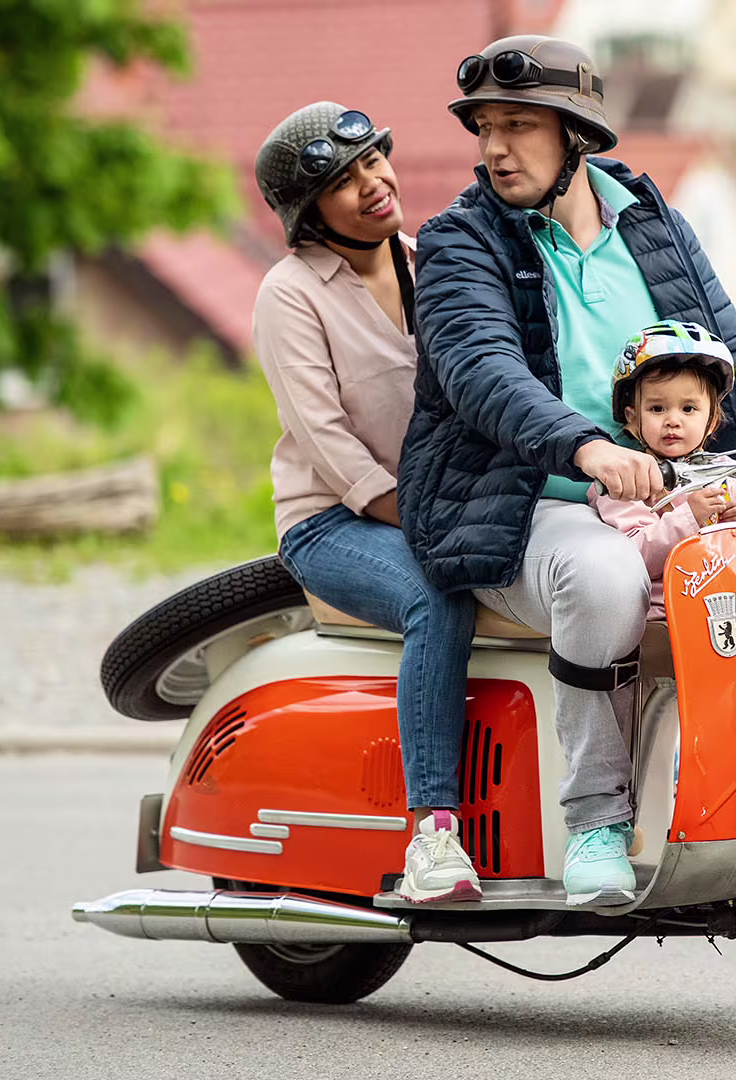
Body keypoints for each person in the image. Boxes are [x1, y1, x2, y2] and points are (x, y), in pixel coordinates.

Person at [399, 36, 736, 906]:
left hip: (672, 494)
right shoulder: (459, 242)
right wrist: (586, 447)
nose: (493, 148)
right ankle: (598, 822)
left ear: (578, 138)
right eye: (484, 128)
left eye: (518, 126)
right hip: (524, 501)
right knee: (603, 581)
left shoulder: (651, 224)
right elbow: (482, 372)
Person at [250, 101, 481, 904]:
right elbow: (327, 442)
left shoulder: (426, 263)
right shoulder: (290, 295)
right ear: (309, 216)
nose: (372, 185)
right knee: (435, 597)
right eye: (343, 183)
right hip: (333, 521)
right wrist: (429, 523)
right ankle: (435, 835)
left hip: (433, 507)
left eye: (373, 162)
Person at [591, 321, 736, 618]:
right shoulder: (625, 479)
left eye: (688, 409)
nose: (672, 420)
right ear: (631, 418)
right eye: (657, 409)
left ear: (712, 420)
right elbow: (633, 556)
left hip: (733, 605)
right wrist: (689, 517)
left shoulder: (730, 474)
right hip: (664, 614)